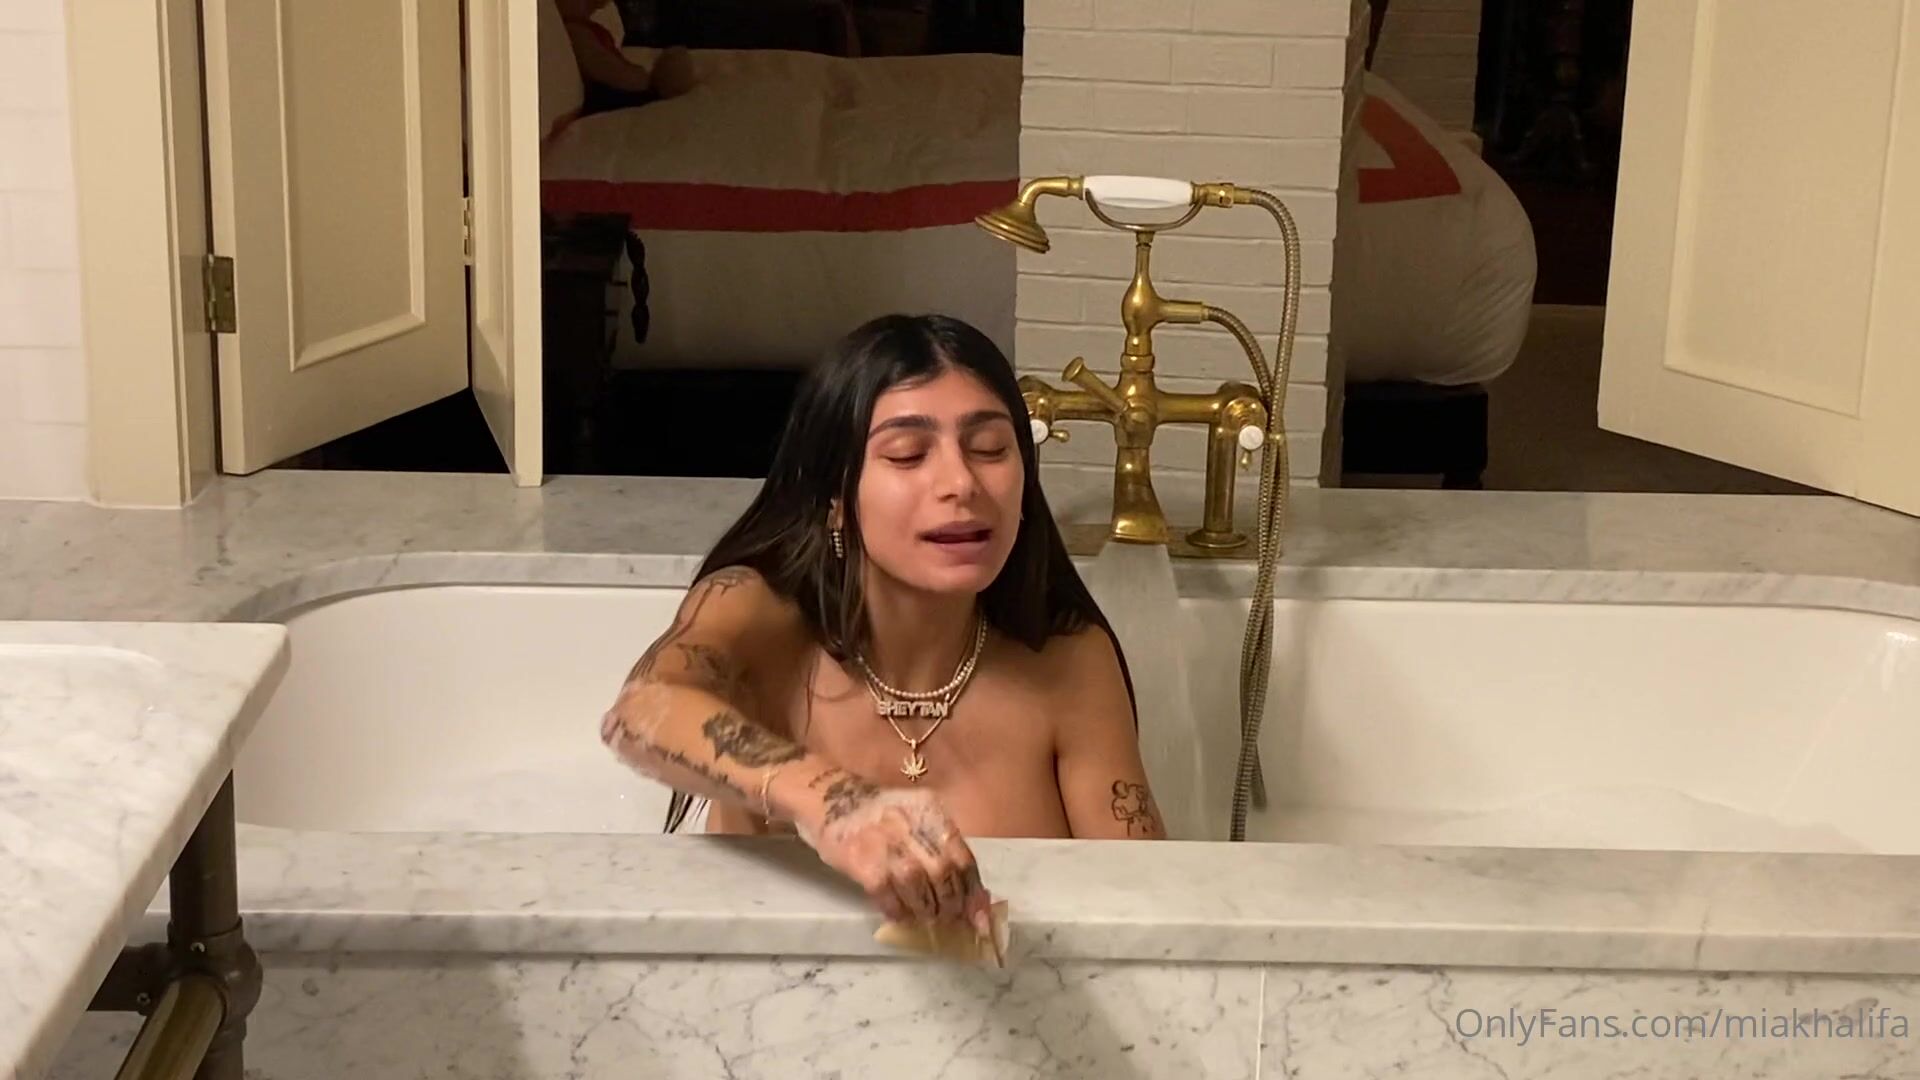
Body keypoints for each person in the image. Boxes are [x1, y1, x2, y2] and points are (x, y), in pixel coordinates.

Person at [598, 314, 1165, 937]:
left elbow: (1146, 914)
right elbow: (641, 712)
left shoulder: (1067, 660)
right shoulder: (762, 614)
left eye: (989, 449)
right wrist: (838, 802)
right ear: (834, 497)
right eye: (907, 454)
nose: (961, 483)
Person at [556, 0, 697, 114]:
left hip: (631, 87)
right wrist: (644, 81)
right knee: (677, 62)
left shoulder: (586, 28)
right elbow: (602, 66)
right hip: (620, 94)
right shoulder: (576, 31)